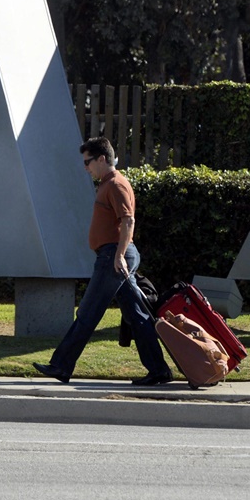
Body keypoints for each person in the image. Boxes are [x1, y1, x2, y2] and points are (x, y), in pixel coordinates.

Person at [33, 137, 173, 386]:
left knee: (88, 311)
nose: (85, 167)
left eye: (88, 162)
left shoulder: (115, 184)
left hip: (113, 256)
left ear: (101, 159)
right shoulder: (108, 184)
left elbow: (128, 221)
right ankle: (159, 370)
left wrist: (118, 255)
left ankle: (61, 365)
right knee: (137, 315)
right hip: (114, 255)